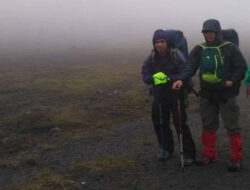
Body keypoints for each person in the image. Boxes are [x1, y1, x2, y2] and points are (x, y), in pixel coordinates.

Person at [190, 19, 247, 171]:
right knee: (208, 124)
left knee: (232, 126)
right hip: (207, 94)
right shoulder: (200, 49)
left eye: (211, 31)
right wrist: (181, 80)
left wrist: (232, 81)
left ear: (218, 31)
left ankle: (236, 158)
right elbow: (190, 67)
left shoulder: (230, 48)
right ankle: (209, 154)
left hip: (226, 94)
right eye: (206, 32)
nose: (208, 35)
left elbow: (242, 67)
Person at [142, 29, 196, 166]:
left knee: (180, 124)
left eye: (162, 42)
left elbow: (186, 71)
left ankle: (189, 153)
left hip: (176, 95)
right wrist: (154, 79)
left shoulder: (175, 54)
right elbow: (145, 76)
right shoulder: (151, 57)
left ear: (167, 42)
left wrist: (170, 79)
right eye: (156, 42)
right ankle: (166, 148)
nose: (159, 45)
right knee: (159, 123)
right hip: (159, 96)